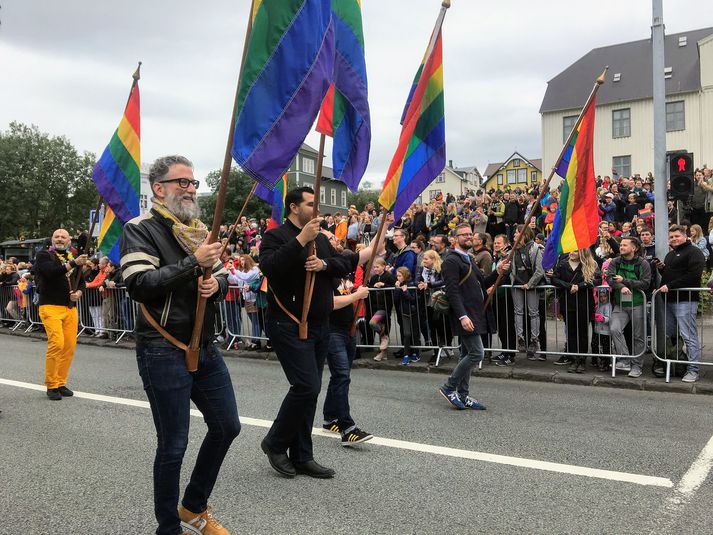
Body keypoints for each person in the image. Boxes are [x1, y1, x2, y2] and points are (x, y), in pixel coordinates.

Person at [120, 155, 239, 535]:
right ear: (159, 188)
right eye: (181, 182)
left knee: (227, 426)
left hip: (203, 345)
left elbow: (219, 277)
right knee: (174, 443)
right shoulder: (140, 228)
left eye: (193, 183)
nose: (190, 189)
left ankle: (192, 507)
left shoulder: (201, 230)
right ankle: (168, 528)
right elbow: (138, 284)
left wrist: (215, 284)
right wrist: (192, 264)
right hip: (162, 345)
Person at [258, 187, 382, 480]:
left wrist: (324, 263)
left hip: (319, 323)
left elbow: (345, 264)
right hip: (287, 323)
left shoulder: (323, 238)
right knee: (306, 386)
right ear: (293, 207)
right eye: (310, 204)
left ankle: (302, 456)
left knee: (310, 393)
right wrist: (302, 240)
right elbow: (271, 267)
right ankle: (275, 443)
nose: (316, 209)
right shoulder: (275, 237)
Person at [438, 224, 509, 410]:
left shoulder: (469, 259)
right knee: (477, 353)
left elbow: (483, 282)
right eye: (464, 235)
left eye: (471, 234)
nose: (469, 237)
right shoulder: (451, 261)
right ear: (455, 238)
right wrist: (462, 316)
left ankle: (463, 395)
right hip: (466, 314)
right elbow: (452, 291)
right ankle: (449, 387)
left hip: (476, 313)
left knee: (466, 353)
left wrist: (498, 270)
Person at [321, 230, 374, 447]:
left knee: (340, 376)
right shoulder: (323, 272)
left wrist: (385, 229)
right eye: (330, 238)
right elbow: (329, 302)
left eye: (335, 238)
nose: (335, 240)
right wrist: (356, 295)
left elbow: (374, 251)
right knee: (342, 375)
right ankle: (347, 428)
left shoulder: (343, 266)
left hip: (349, 329)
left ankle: (329, 418)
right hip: (332, 330)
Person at [34, 228, 87, 400]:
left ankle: (60, 382)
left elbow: (82, 283)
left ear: (69, 241)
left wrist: (78, 293)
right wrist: (74, 263)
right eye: (56, 236)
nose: (60, 239)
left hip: (70, 308)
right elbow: (50, 273)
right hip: (50, 307)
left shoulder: (72, 258)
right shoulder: (44, 255)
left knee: (69, 347)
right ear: (52, 239)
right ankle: (51, 385)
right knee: (57, 343)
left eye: (63, 237)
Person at [657, 225, 706, 383]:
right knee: (672, 336)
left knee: (688, 336)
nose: (674, 239)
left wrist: (670, 286)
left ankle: (693, 370)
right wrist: (662, 270)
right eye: (671, 237)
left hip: (685, 301)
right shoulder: (670, 255)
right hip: (669, 301)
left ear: (685, 236)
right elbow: (672, 275)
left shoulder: (694, 252)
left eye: (677, 236)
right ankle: (676, 365)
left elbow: (693, 276)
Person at [606, 237, 651, 378]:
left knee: (639, 336)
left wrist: (625, 281)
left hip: (637, 304)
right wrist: (622, 287)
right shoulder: (615, 261)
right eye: (620, 245)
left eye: (625, 245)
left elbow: (645, 284)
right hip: (620, 305)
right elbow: (610, 278)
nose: (621, 247)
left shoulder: (643, 263)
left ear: (634, 248)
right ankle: (625, 359)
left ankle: (637, 366)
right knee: (614, 329)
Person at [551, 248, 601, 373]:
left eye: (575, 251)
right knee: (571, 332)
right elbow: (555, 279)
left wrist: (580, 286)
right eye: (571, 251)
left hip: (584, 303)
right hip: (568, 302)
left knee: (582, 332)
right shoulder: (563, 264)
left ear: (582, 253)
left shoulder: (591, 264)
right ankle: (574, 359)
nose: (571, 253)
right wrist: (569, 286)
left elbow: (597, 280)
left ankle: (582, 359)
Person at [508, 225, 544, 359]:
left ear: (524, 234)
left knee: (533, 312)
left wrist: (529, 284)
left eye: (516, 233)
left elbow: (540, 270)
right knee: (518, 312)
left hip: (531, 285)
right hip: (517, 284)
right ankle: (520, 338)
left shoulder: (535, 248)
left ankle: (534, 340)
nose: (514, 236)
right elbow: (511, 268)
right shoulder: (513, 250)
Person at [367, 257, 395, 361]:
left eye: (377, 267)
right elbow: (370, 287)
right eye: (374, 267)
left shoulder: (389, 276)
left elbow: (394, 286)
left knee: (373, 323)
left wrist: (384, 285)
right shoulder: (374, 277)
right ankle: (383, 353)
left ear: (383, 267)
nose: (375, 269)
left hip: (385, 307)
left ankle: (383, 348)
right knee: (382, 328)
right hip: (375, 306)